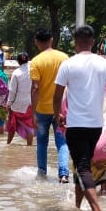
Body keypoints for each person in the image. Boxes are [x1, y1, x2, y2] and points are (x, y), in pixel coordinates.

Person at [54, 24, 106, 211]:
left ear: (75, 42)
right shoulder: (104, 64)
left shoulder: (68, 64)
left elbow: (57, 95)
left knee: (82, 166)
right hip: (96, 125)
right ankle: (78, 206)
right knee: (84, 163)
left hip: (75, 125)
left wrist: (58, 115)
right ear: (93, 42)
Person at [30, 28, 71, 182]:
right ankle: (64, 174)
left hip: (42, 110)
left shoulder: (36, 61)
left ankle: (42, 173)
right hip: (60, 110)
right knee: (62, 142)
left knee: (41, 142)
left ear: (36, 42)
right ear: (51, 40)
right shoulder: (65, 58)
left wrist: (33, 113)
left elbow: (35, 88)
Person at [6, 52, 35, 145]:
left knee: (12, 124)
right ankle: (29, 146)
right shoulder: (34, 70)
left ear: (18, 62)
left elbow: (12, 91)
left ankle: (8, 144)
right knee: (30, 126)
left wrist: (9, 103)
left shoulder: (16, 73)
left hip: (18, 105)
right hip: (31, 103)